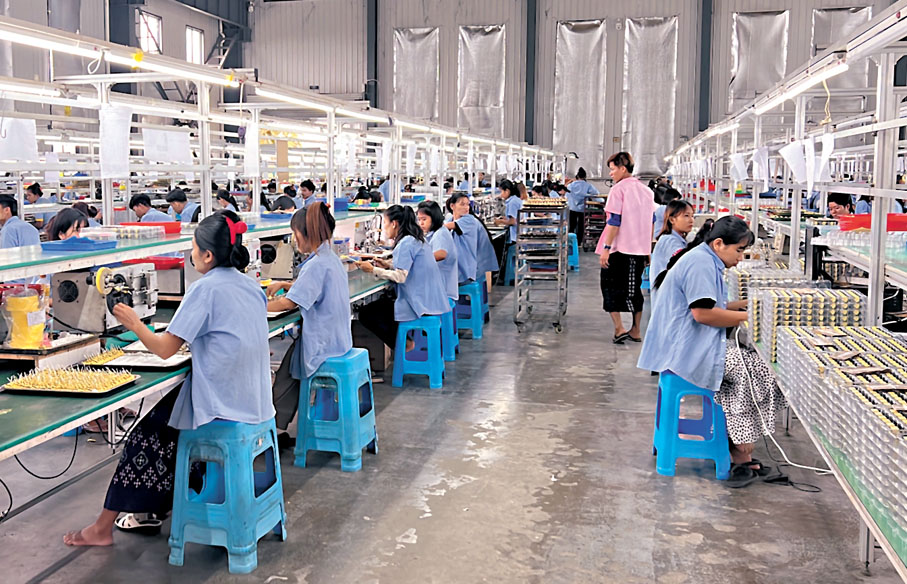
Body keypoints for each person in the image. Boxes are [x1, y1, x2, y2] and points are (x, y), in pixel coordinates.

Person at [63, 211, 274, 546]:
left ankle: (105, 527)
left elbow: (163, 349)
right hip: (255, 401)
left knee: (145, 435)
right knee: (167, 422)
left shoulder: (205, 289)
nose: (190, 254)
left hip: (223, 406)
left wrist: (134, 323)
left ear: (207, 254)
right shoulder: (251, 285)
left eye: (192, 247)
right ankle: (158, 508)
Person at [639, 217, 780, 487]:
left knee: (753, 366)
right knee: (755, 372)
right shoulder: (701, 263)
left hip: (690, 343)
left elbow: (712, 302)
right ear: (718, 243)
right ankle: (739, 449)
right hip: (686, 350)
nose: (741, 257)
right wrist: (748, 317)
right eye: (739, 250)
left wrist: (748, 305)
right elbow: (703, 313)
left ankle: (735, 441)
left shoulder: (706, 259)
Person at [266, 203, 352, 443]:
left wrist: (253, 307)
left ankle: (274, 429)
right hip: (338, 338)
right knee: (290, 365)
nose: (295, 240)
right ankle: (280, 427)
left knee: (288, 370)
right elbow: (309, 290)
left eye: (295, 234)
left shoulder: (316, 265)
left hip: (323, 343)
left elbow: (288, 304)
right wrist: (286, 285)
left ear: (306, 234)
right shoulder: (329, 258)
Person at [356, 205, 449, 351]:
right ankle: (403, 343)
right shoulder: (415, 239)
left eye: (385, 224)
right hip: (429, 298)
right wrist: (386, 264)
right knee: (382, 305)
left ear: (394, 224)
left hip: (419, 303)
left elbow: (400, 277)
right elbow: (410, 265)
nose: (385, 229)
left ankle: (404, 344)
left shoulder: (405, 243)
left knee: (367, 313)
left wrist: (373, 269)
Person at [596, 152, 657, 344]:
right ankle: (636, 330)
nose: (611, 173)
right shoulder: (647, 191)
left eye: (613, 169)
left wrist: (606, 247)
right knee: (634, 289)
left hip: (618, 249)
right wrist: (648, 250)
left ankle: (619, 328)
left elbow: (614, 221)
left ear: (623, 169)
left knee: (609, 286)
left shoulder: (618, 190)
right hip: (638, 250)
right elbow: (651, 222)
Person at [417, 200, 459, 304]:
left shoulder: (441, 234)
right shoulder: (435, 233)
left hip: (443, 290)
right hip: (439, 286)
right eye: (419, 220)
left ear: (434, 218)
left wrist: (418, 259)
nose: (421, 223)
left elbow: (441, 254)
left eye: (424, 219)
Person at [650, 200, 694, 295]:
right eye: (686, 216)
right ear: (672, 219)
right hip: (668, 298)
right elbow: (684, 261)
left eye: (692, 216)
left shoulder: (675, 239)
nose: (691, 220)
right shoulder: (669, 241)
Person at [494, 180, 522, 283]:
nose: (501, 194)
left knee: (497, 247)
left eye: (501, 191)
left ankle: (501, 275)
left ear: (507, 191)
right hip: (518, 233)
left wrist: (500, 221)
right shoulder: (514, 200)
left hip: (515, 236)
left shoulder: (513, 202)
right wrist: (503, 219)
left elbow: (513, 221)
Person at [566, 167, 599, 243]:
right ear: (585, 177)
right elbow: (596, 193)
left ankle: (570, 241)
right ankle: (579, 242)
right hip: (582, 209)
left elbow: (566, 192)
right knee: (581, 226)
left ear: (577, 176)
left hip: (572, 208)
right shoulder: (588, 185)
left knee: (572, 225)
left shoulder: (571, 185)